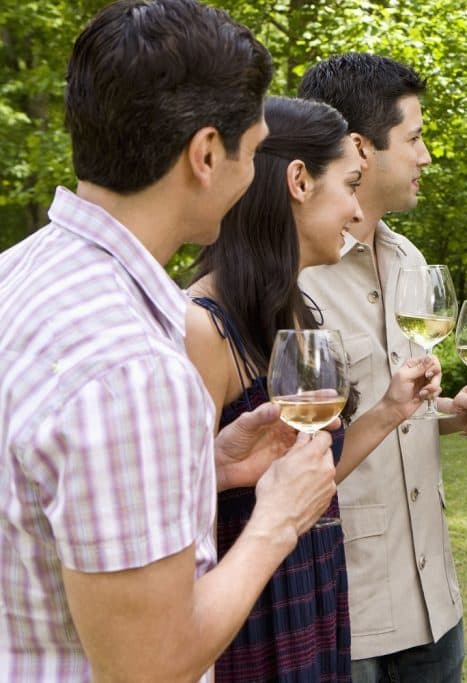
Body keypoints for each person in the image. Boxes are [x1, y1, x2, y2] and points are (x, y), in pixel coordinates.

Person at [0, 2, 341, 680]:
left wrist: (200, 468)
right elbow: (150, 666)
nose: (253, 177)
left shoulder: (19, 273)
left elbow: (33, 502)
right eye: (254, 148)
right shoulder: (134, 368)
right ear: (208, 154)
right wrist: (277, 518)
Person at [185, 95, 444, 682]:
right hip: (249, 617)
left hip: (314, 590)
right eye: (351, 185)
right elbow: (170, 522)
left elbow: (314, 472)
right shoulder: (201, 327)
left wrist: (388, 410)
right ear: (299, 181)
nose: (357, 211)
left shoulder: (296, 313)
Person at [296, 53, 467, 681]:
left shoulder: (411, 260)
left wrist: (450, 410)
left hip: (433, 598)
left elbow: (396, 401)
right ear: (361, 148)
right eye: (414, 138)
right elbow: (295, 443)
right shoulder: (295, 271)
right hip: (348, 607)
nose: (427, 156)